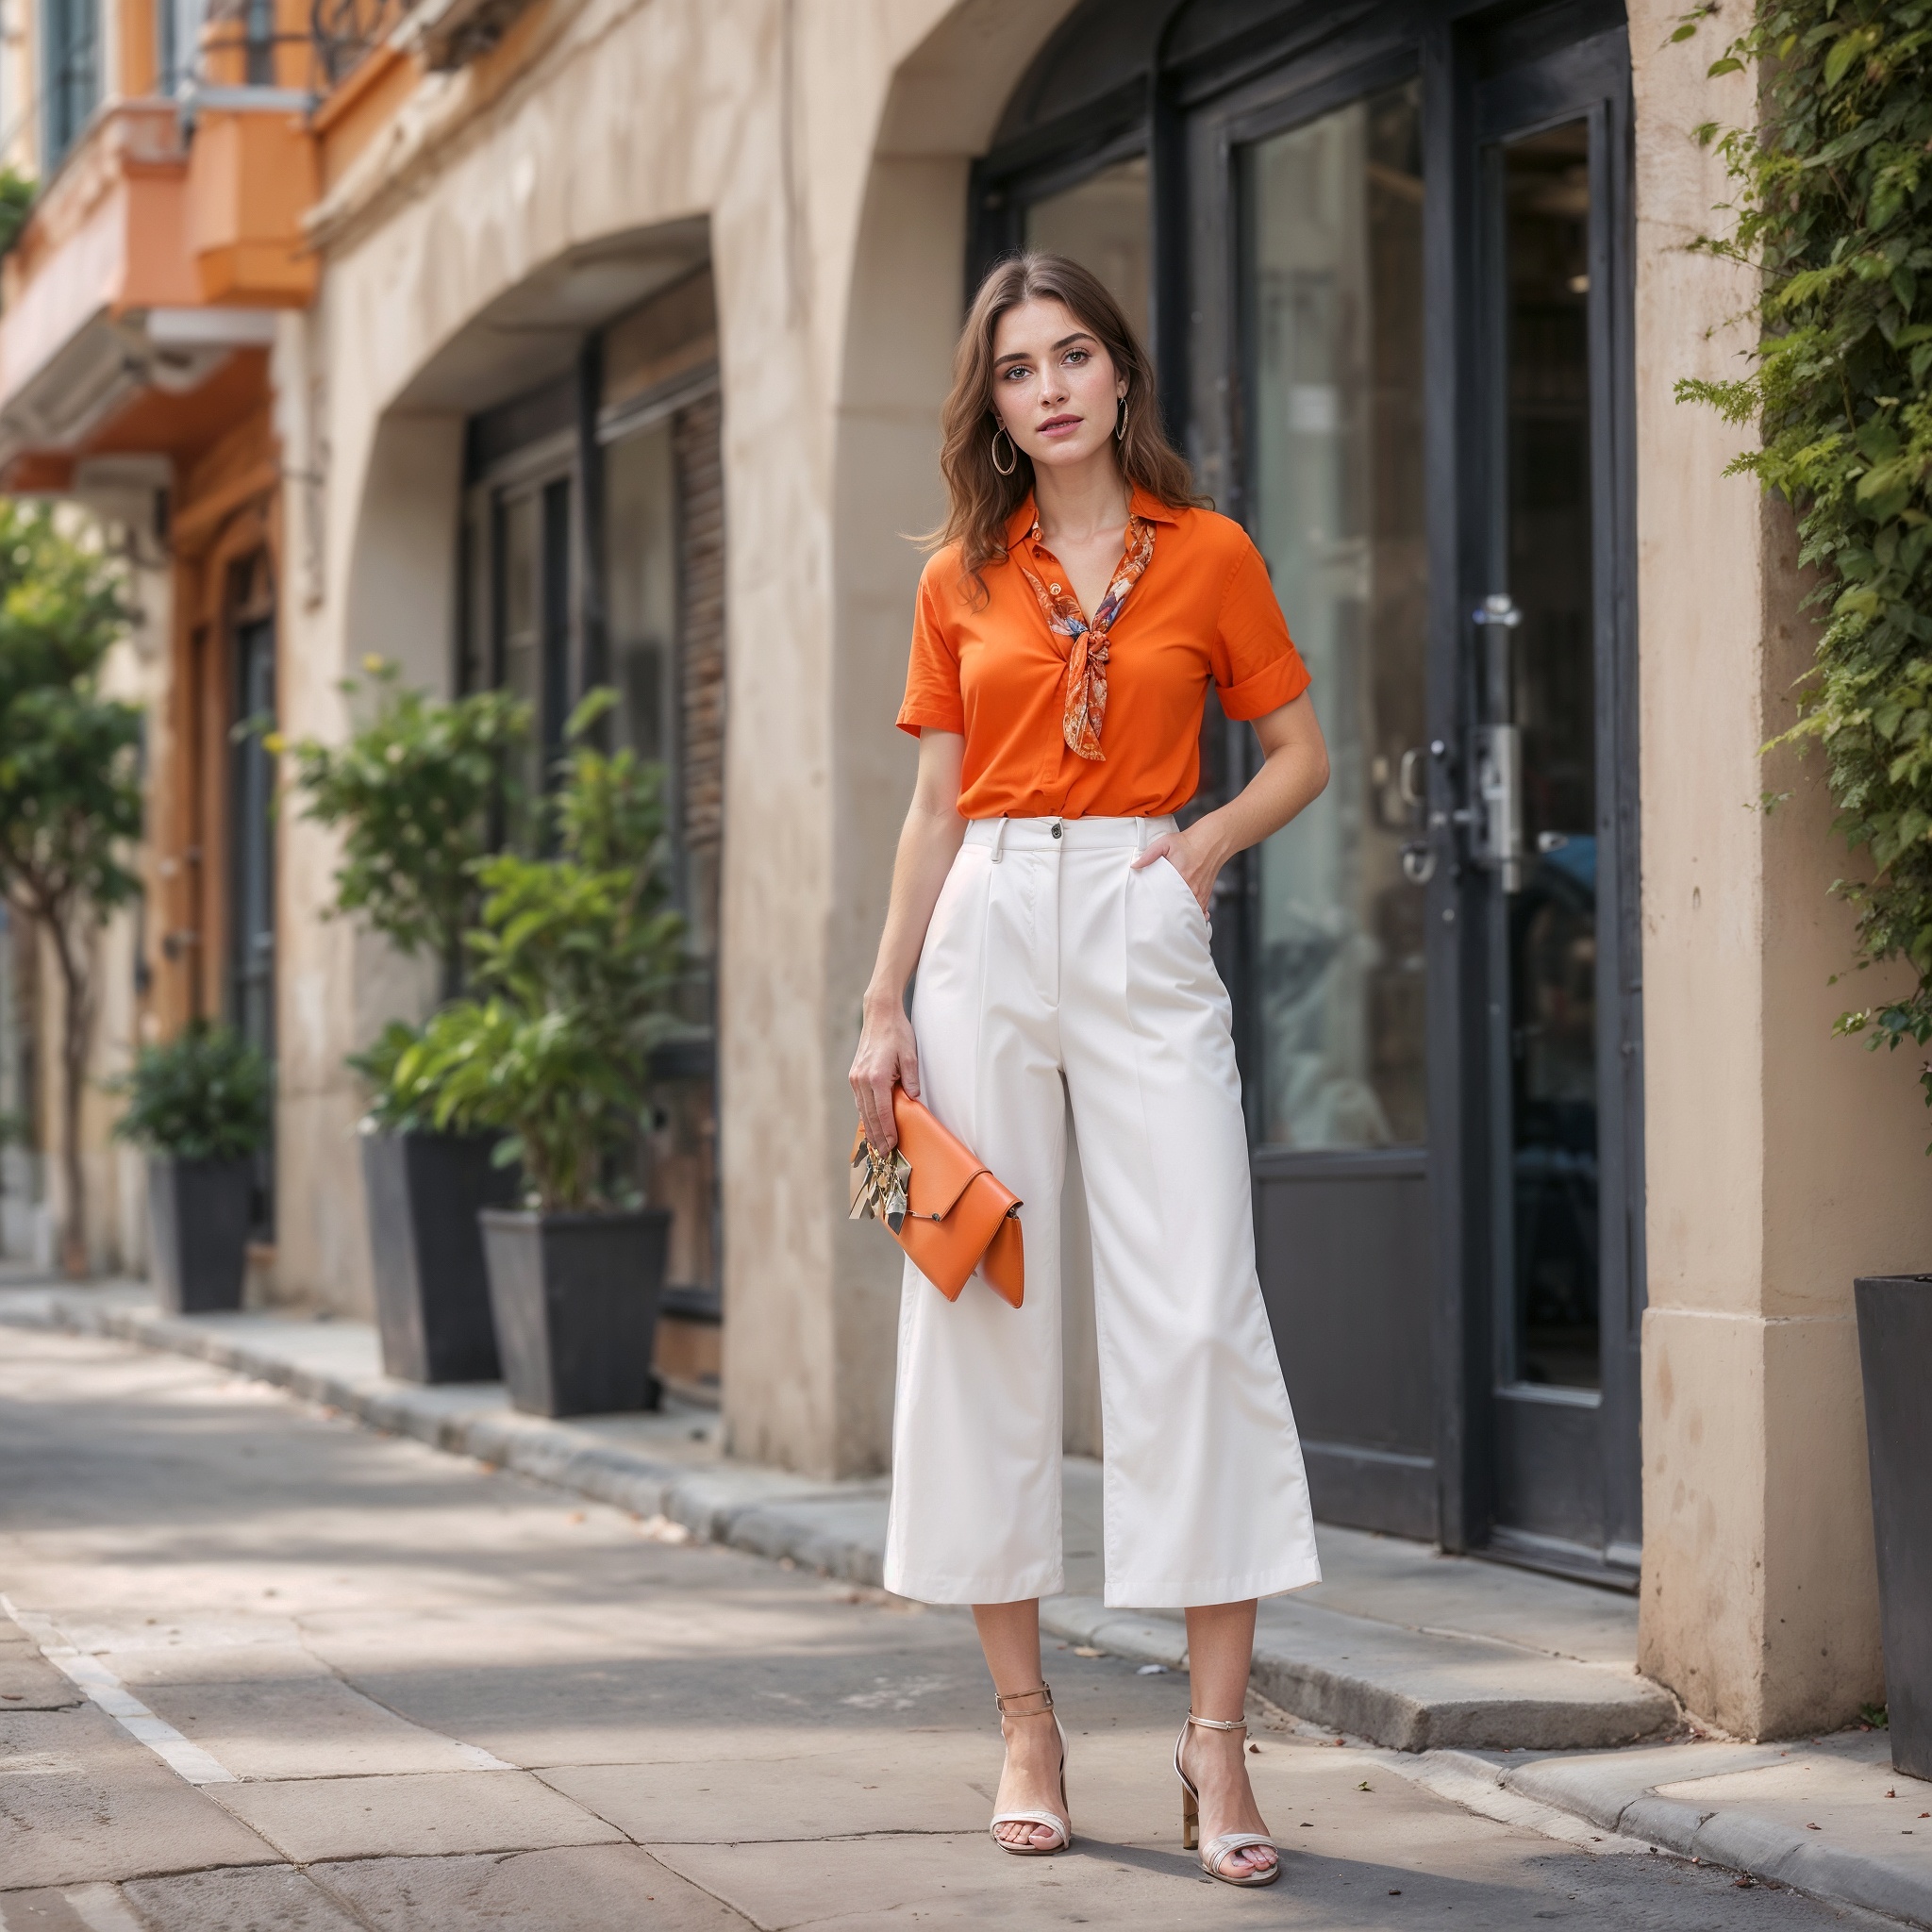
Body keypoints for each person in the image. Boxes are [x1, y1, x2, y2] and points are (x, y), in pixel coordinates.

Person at [848, 251, 1330, 1890]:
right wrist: (882, 1004)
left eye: (1072, 357)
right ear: (991, 403)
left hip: (1136, 908)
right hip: (985, 918)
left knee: (1197, 1310)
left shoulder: (1211, 556)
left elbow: (1301, 759)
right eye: (1014, 369)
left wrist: (1196, 848)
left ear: (1120, 376)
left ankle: (1215, 1746)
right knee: (984, 1311)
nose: (1047, 388)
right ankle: (1026, 1722)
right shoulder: (958, 579)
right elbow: (931, 805)